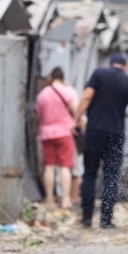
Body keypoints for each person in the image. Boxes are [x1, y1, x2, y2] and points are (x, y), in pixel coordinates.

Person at [74, 53, 128, 229]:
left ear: (111, 64)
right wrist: (122, 112)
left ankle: (87, 217)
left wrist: (77, 119)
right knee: (111, 176)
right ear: (125, 67)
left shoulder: (98, 74)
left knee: (90, 173)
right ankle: (106, 220)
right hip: (116, 134)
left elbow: (87, 97)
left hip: (95, 131)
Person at [35, 67, 78, 209]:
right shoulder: (69, 91)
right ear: (63, 78)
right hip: (65, 133)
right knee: (65, 166)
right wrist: (77, 124)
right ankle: (66, 200)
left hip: (47, 134)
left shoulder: (42, 94)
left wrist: (38, 129)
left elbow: (39, 116)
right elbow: (77, 109)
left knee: (49, 166)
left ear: (51, 78)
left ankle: (49, 199)